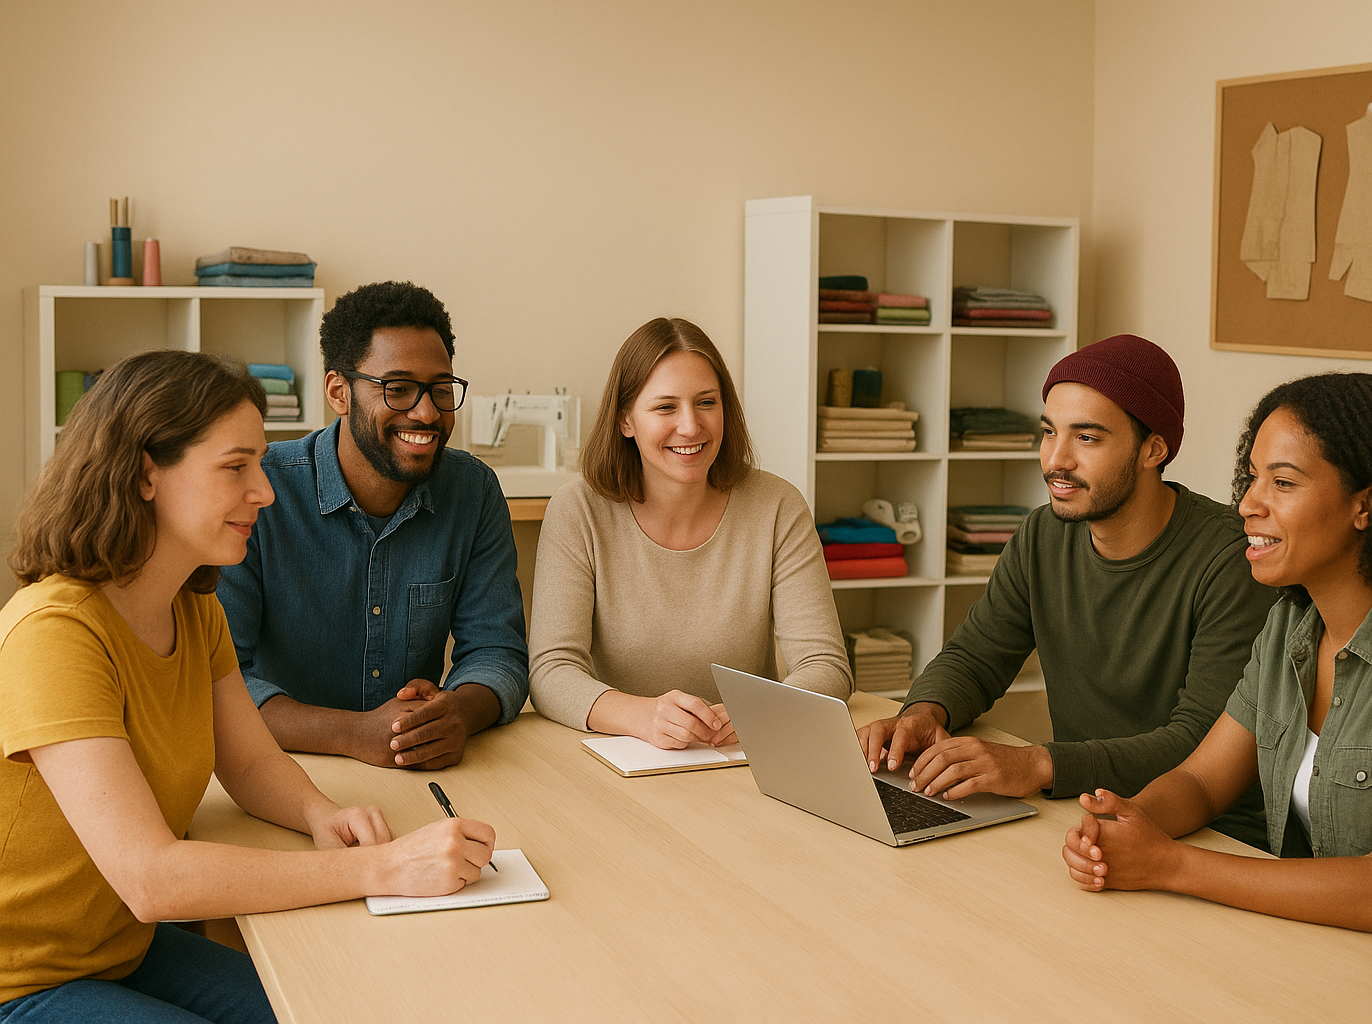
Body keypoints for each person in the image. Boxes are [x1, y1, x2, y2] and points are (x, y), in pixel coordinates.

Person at [0, 351, 495, 1023]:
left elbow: (250, 760)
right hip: (20, 979)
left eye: (260, 464)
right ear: (147, 474)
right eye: (236, 467)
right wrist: (382, 868)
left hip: (119, 946)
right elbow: (150, 878)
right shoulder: (54, 631)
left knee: (335, 1005)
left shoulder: (191, 603)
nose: (263, 491)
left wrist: (321, 813)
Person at [1062, 373, 1372, 983]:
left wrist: (1168, 865)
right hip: (1339, 962)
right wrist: (1128, 822)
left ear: (1368, 504)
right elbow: (1204, 782)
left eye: (1283, 482)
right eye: (1253, 477)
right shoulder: (1292, 623)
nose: (1248, 504)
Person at [858, 334, 1277, 846]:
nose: (1056, 460)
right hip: (1084, 813)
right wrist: (924, 712)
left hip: (1208, 834)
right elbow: (976, 656)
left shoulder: (1232, 559)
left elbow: (1200, 744)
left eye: (1087, 438)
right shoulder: (1044, 534)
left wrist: (1038, 763)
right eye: (1049, 432)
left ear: (1154, 448)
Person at [217, 282, 528, 770]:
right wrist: (353, 733)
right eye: (398, 389)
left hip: (416, 770)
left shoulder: (473, 491)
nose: (425, 413)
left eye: (440, 390)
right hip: (277, 767)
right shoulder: (260, 493)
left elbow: (497, 651)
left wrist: (455, 714)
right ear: (339, 393)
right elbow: (221, 679)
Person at [530, 316, 851, 747]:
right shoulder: (578, 510)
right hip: (618, 758)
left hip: (742, 757)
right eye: (665, 407)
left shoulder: (777, 506)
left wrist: (759, 709)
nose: (690, 426)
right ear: (626, 420)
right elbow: (551, 670)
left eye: (706, 402)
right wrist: (641, 716)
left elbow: (827, 664)